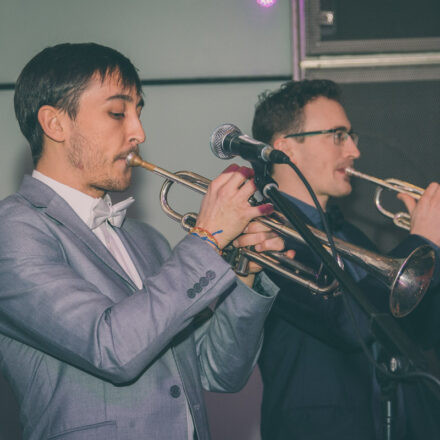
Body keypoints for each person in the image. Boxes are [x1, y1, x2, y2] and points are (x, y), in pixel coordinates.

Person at [0, 42, 285, 440]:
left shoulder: (147, 240)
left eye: (138, 112)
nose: (138, 132)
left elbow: (220, 372)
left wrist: (246, 276)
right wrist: (207, 240)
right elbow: (110, 348)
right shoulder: (13, 230)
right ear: (55, 124)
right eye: (118, 113)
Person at [251, 79, 440, 440]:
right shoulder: (264, 233)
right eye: (338, 135)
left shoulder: (350, 235)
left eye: (352, 136)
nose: (354, 150)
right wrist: (422, 244)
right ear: (284, 148)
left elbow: (417, 332)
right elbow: (345, 321)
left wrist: (434, 259)